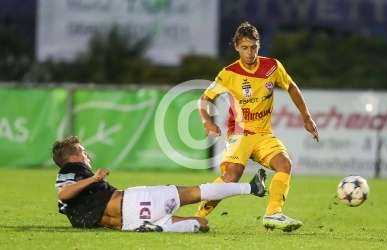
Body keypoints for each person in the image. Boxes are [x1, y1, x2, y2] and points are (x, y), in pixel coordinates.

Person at [196, 21, 319, 232]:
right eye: (244, 48)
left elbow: (291, 86)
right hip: (239, 134)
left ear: (259, 45)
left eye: (253, 47)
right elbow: (204, 100)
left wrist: (306, 117)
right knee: (231, 177)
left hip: (263, 134)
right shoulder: (229, 73)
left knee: (285, 164)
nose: (249, 52)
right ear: (236, 47)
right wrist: (207, 122)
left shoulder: (272, 66)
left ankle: (273, 214)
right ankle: (197, 217)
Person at [53, 135, 267, 233]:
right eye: (82, 151)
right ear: (72, 158)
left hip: (129, 224)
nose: (87, 154)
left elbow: (68, 203)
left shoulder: (73, 210)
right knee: (196, 192)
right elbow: (63, 193)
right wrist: (94, 178)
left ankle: (160, 228)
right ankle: (250, 188)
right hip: (135, 202)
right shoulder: (73, 170)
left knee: (202, 225)